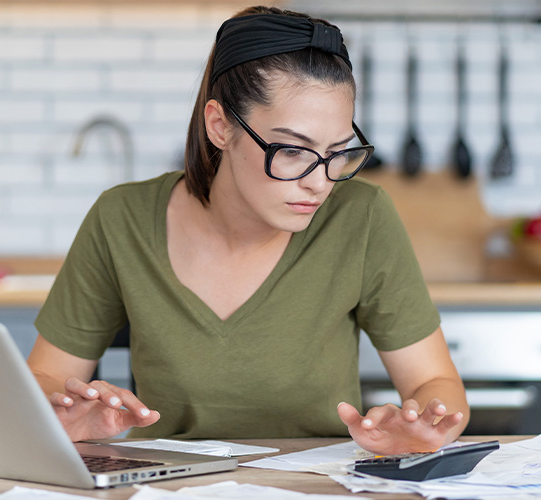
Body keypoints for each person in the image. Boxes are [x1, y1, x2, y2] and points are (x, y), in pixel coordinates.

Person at [27, 5, 468, 455]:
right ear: (220, 125)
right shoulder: (122, 218)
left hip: (319, 486)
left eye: (338, 152)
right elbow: (44, 377)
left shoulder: (362, 217)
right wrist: (61, 411)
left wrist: (425, 425)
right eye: (293, 150)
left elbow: (435, 382)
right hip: (171, 487)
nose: (320, 182)